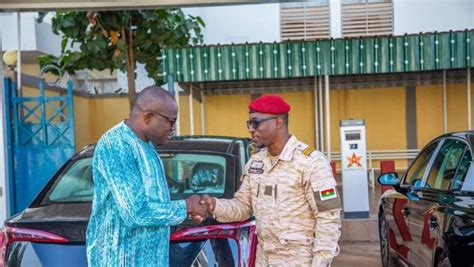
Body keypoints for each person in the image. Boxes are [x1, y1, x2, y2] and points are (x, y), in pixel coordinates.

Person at [199, 95, 342, 266]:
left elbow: (328, 216)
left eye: (256, 122)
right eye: (249, 123)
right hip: (264, 258)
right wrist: (214, 205)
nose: (251, 129)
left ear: (278, 122)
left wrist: (321, 262)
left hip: (299, 260)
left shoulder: (311, 162)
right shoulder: (256, 162)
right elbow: (243, 207)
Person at [86, 85, 208, 266]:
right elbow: (135, 213)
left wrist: (185, 212)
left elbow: (155, 204)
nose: (173, 128)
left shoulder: (147, 146)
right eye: (171, 121)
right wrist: (186, 207)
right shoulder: (117, 144)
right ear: (148, 117)